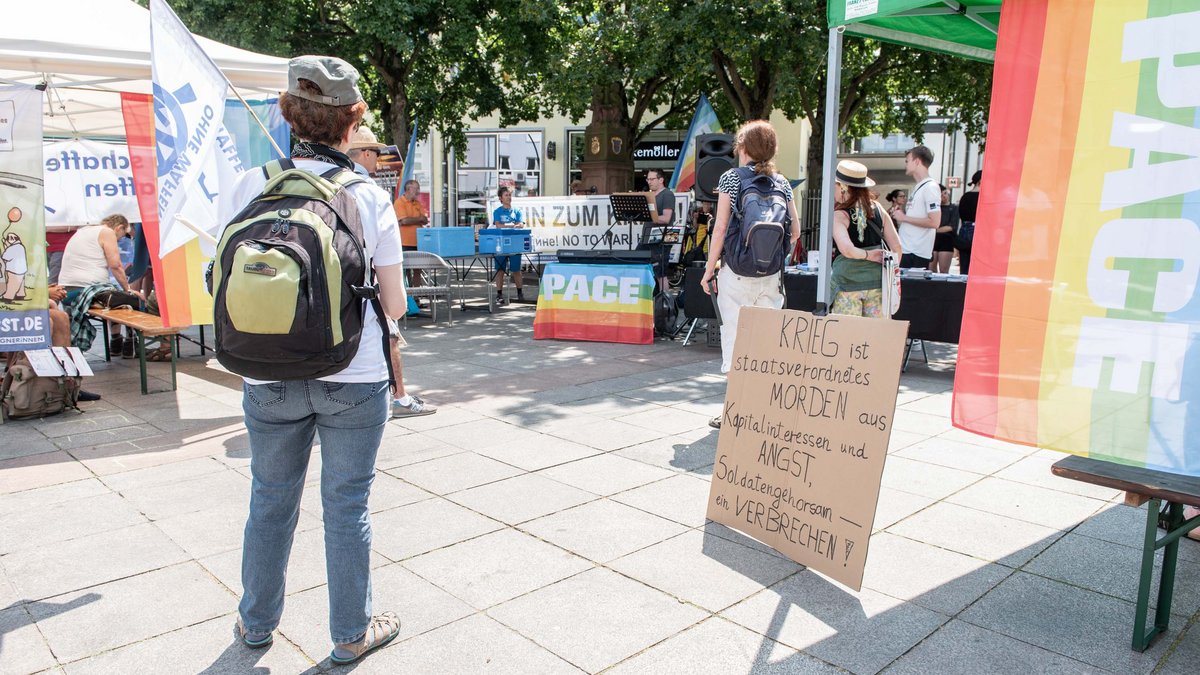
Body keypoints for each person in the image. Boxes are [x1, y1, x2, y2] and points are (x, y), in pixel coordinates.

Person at [223, 54, 404, 665]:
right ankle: (351, 632)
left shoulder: (251, 184)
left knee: (269, 499)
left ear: (288, 113)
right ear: (353, 121)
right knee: (346, 504)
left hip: (264, 369)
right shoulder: (367, 196)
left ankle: (254, 626)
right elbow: (396, 303)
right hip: (352, 372)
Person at [700, 120, 801, 428]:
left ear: (742, 147)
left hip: (738, 273)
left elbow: (719, 229)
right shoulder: (782, 182)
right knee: (765, 343)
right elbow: (794, 231)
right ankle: (761, 410)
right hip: (770, 276)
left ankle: (734, 411)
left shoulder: (731, 178)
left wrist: (708, 269)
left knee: (735, 338)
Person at [348, 126, 436, 418]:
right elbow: (394, 300)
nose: (377, 159)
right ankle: (399, 398)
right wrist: (394, 307)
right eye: (375, 152)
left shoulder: (321, 183)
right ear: (364, 154)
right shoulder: (369, 192)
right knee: (391, 335)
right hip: (367, 285)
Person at [58, 213, 144, 358]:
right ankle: (131, 344)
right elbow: (115, 265)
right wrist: (128, 290)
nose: (121, 240)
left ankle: (116, 343)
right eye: (123, 235)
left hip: (67, 290)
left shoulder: (84, 230)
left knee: (116, 297)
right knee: (132, 300)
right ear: (119, 227)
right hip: (84, 290)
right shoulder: (107, 232)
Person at [829, 160, 902, 318]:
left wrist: (868, 255)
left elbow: (847, 249)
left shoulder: (839, 215)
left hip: (847, 284)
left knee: (848, 338)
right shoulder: (878, 209)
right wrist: (890, 274)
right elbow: (897, 247)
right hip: (877, 284)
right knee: (874, 337)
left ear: (842, 187)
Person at [889, 146, 941, 269]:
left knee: (909, 288)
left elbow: (935, 222)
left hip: (915, 253)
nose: (906, 165)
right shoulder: (920, 187)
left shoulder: (930, 187)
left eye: (908, 161)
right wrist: (901, 215)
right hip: (908, 250)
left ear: (917, 161)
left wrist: (904, 218)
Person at [491, 186, 525, 303]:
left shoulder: (517, 211)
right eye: (506, 195)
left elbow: (521, 224)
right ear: (501, 198)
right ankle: (499, 294)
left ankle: (520, 293)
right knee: (500, 270)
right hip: (500, 244)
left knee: (516, 270)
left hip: (515, 244)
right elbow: (498, 225)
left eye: (510, 195)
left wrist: (518, 224)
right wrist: (511, 225)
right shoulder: (497, 211)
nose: (509, 197)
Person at [957, 170, 981, 274]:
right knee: (977, 265)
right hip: (978, 230)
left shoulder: (964, 197)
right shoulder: (983, 198)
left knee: (964, 264)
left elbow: (961, 217)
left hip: (964, 230)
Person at [931, 184, 959, 273]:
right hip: (933, 240)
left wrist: (935, 230)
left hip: (946, 240)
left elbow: (952, 227)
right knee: (931, 269)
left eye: (945, 193)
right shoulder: (934, 208)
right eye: (941, 194)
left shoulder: (954, 208)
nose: (943, 196)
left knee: (944, 269)